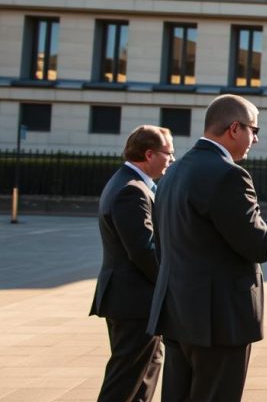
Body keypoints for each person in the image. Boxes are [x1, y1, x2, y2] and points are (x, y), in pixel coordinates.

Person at [148, 94, 267, 402]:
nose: (255, 139)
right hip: (219, 322)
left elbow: (163, 245)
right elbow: (260, 246)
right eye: (254, 130)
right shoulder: (229, 174)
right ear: (234, 128)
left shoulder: (173, 172)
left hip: (177, 313)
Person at [91, 125, 174, 402]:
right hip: (134, 303)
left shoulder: (128, 183)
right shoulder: (132, 190)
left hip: (132, 300)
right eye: (168, 153)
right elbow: (143, 251)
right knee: (124, 382)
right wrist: (171, 285)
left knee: (143, 377)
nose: (171, 160)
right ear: (149, 154)